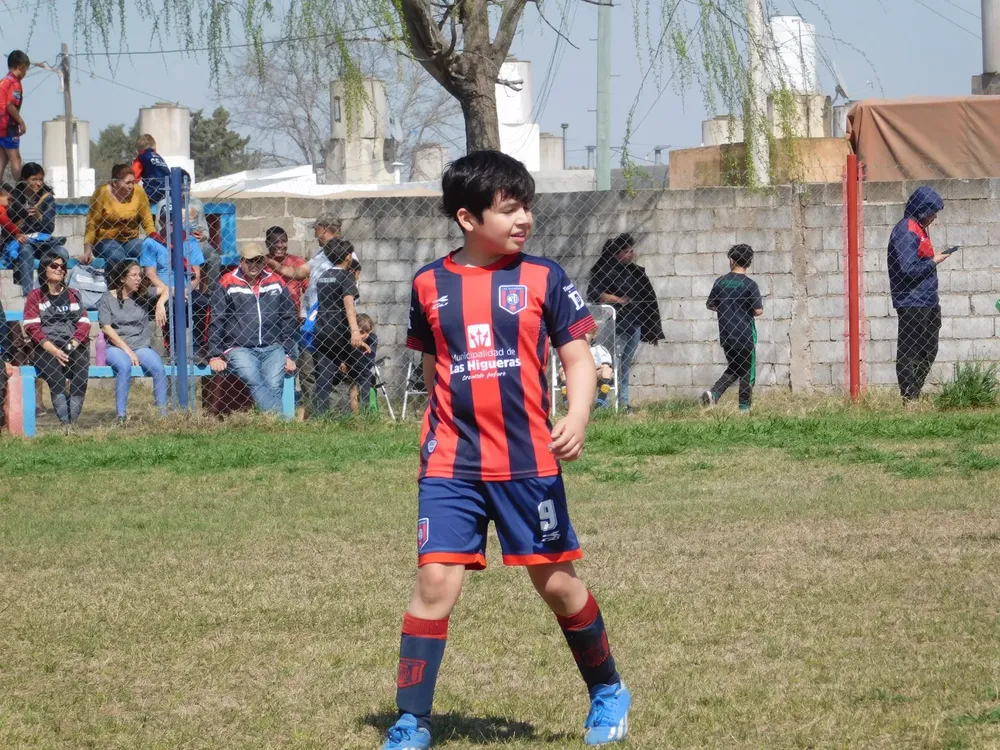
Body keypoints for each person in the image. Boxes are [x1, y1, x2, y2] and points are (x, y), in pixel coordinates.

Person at [382, 150, 630, 750]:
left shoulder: (544, 278)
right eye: (509, 209)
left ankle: (607, 691)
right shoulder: (427, 284)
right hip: (450, 464)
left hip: (526, 463)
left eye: (527, 207)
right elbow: (431, 362)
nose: (524, 219)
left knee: (559, 587)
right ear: (467, 218)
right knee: (435, 584)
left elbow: (578, 357)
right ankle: (412, 719)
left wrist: (575, 415)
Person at [267, 214, 351, 417]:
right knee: (308, 370)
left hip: (329, 321)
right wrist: (272, 264)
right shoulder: (320, 253)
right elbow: (299, 272)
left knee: (331, 369)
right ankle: (314, 413)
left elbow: (349, 293)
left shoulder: (346, 255)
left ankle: (335, 414)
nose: (314, 233)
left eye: (316, 229)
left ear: (323, 229)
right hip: (309, 321)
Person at [207, 243, 298, 414]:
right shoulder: (227, 282)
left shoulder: (276, 281)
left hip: (273, 346)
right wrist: (214, 354)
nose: (254, 265)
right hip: (239, 347)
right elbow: (217, 320)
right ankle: (278, 421)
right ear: (241, 262)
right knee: (253, 379)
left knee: (273, 383)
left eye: (258, 261)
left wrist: (288, 353)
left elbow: (288, 317)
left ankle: (273, 424)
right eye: (250, 262)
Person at [587, 233, 664, 411]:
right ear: (617, 254)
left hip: (634, 323)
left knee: (625, 365)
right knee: (610, 363)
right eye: (626, 251)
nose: (631, 254)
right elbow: (594, 293)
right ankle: (605, 402)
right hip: (615, 325)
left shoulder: (635, 272)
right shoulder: (605, 271)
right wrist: (618, 300)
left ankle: (623, 403)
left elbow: (648, 298)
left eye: (632, 251)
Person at [888, 187, 950, 403]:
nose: (934, 217)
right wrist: (934, 261)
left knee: (929, 349)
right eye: (932, 212)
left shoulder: (920, 229)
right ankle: (908, 398)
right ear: (921, 209)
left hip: (929, 300)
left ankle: (914, 394)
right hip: (911, 301)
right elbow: (907, 269)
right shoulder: (905, 231)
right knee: (910, 351)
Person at [22, 253, 91, 428]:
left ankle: (72, 424)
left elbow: (84, 324)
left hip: (72, 345)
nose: (59, 269)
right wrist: (54, 350)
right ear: (44, 269)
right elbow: (32, 328)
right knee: (56, 378)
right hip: (45, 347)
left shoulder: (73, 294)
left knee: (80, 377)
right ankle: (65, 424)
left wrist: (69, 346)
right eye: (53, 266)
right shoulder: (35, 296)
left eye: (62, 266)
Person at [99, 261, 169, 424]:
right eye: (134, 275)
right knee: (124, 366)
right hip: (116, 347)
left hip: (140, 346)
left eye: (140, 275)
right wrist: (128, 351)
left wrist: (160, 304)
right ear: (123, 279)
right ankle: (121, 416)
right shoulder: (107, 298)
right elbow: (107, 328)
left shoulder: (143, 294)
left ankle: (163, 416)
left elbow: (167, 289)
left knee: (158, 368)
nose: (138, 279)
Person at [702, 244, 764, 412]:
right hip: (745, 334)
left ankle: (713, 394)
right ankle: (744, 408)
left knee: (734, 367)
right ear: (749, 263)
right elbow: (758, 310)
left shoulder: (720, 281)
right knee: (746, 372)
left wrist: (726, 308)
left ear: (731, 260)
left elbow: (710, 304)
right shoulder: (750, 285)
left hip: (726, 334)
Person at [313, 238, 370, 417]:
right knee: (363, 372)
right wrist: (355, 332)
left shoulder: (323, 277)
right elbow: (349, 306)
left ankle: (320, 417)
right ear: (347, 257)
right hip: (340, 332)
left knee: (324, 377)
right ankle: (366, 415)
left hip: (322, 331)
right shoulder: (345, 276)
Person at [83, 164, 159, 264]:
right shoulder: (102, 193)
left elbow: (147, 221)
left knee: (148, 251)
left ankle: (146, 278)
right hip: (105, 241)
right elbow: (92, 223)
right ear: (115, 183)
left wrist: (155, 240)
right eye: (127, 183)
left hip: (131, 240)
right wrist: (87, 250)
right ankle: (115, 279)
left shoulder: (138, 192)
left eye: (133, 182)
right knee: (117, 255)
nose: (131, 186)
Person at [10, 162, 61, 296]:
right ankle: (30, 296)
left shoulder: (47, 199)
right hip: (24, 242)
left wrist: (39, 216)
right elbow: (8, 223)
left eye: (40, 180)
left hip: (42, 242)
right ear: (24, 180)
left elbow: (49, 228)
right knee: (25, 251)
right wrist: (20, 226)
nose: (38, 184)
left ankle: (52, 294)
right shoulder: (15, 198)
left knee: (62, 253)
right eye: (34, 179)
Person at [0, 50, 29, 182]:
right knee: (15, 158)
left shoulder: (3, 81)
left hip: (1, 126)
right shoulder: (14, 83)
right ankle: (22, 192)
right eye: (26, 70)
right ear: (21, 67)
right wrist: (21, 122)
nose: (25, 74)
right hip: (8, 126)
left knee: (2, 158)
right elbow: (10, 105)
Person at [131, 134, 171, 208]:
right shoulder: (159, 158)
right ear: (154, 147)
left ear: (139, 150)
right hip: (168, 191)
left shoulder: (141, 157)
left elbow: (132, 176)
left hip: (152, 192)